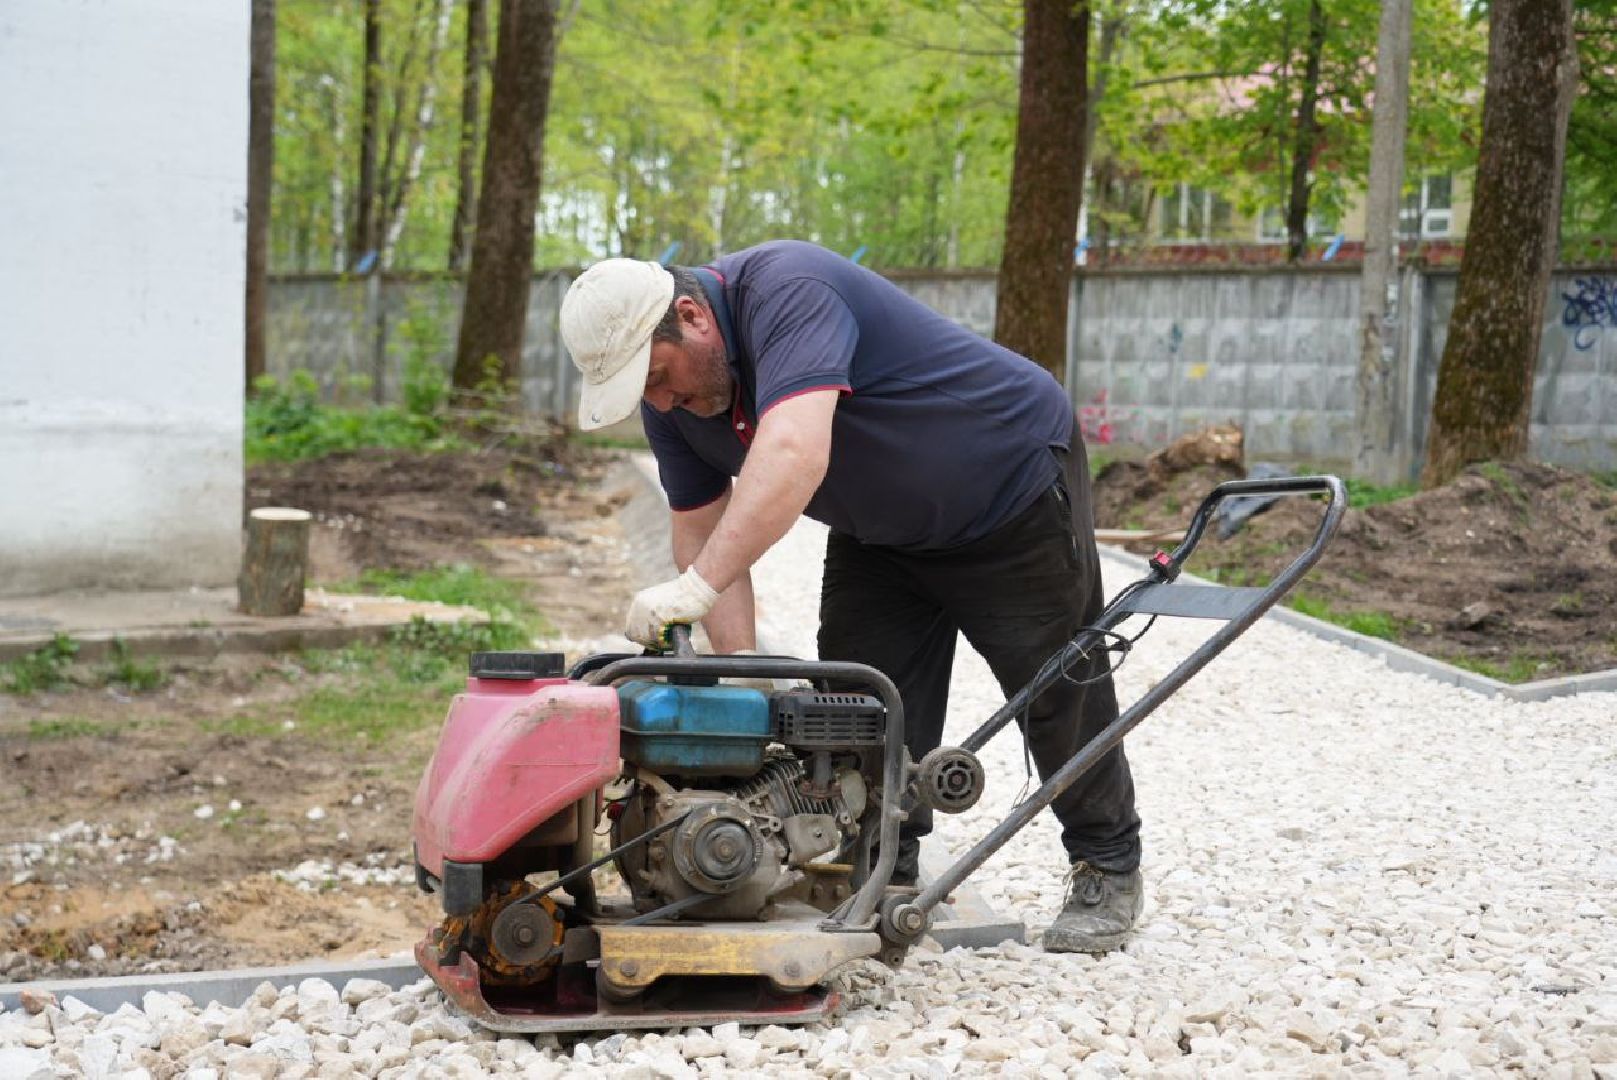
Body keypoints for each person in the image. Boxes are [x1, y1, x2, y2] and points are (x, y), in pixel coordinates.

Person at [558, 240, 1142, 953]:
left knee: (1055, 690)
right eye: (643, 393)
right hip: (880, 531)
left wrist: (696, 586)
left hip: (1005, 487)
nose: (660, 401)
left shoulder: (785, 289)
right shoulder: (674, 407)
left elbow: (794, 451)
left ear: (690, 316)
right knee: (858, 712)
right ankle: (884, 869)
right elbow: (700, 536)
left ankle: (1106, 864)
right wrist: (740, 681)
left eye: (657, 376)